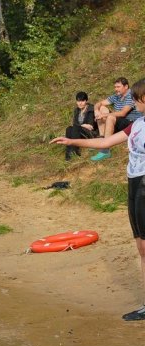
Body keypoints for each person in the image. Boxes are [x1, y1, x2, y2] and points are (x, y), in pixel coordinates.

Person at [50, 78, 145, 321]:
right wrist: (72, 140)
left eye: (136, 98)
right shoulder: (136, 125)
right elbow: (105, 142)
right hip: (134, 183)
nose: (133, 102)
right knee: (141, 247)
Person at [90, 77, 143, 161]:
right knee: (102, 107)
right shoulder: (117, 96)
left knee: (110, 117)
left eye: (118, 87)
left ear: (126, 87)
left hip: (131, 122)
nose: (116, 89)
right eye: (115, 87)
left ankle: (105, 150)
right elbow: (99, 103)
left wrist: (104, 115)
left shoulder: (131, 95)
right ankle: (102, 139)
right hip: (120, 121)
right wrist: (96, 110)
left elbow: (123, 113)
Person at [62, 91, 98, 161]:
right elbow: (74, 123)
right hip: (79, 131)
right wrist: (82, 125)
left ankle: (74, 150)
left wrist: (80, 126)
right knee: (69, 128)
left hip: (90, 133)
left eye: (82, 101)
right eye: (78, 101)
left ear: (86, 101)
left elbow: (90, 126)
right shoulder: (77, 110)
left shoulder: (91, 109)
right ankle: (69, 152)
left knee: (75, 128)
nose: (80, 103)